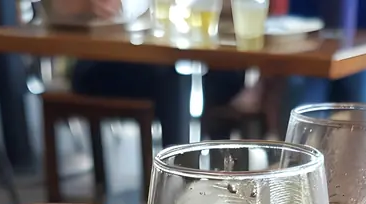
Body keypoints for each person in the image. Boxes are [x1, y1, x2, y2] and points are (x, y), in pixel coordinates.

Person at [70, 0, 244, 145]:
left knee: (224, 74)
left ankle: (215, 167)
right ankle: (178, 171)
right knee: (171, 76)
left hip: (144, 54)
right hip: (93, 64)